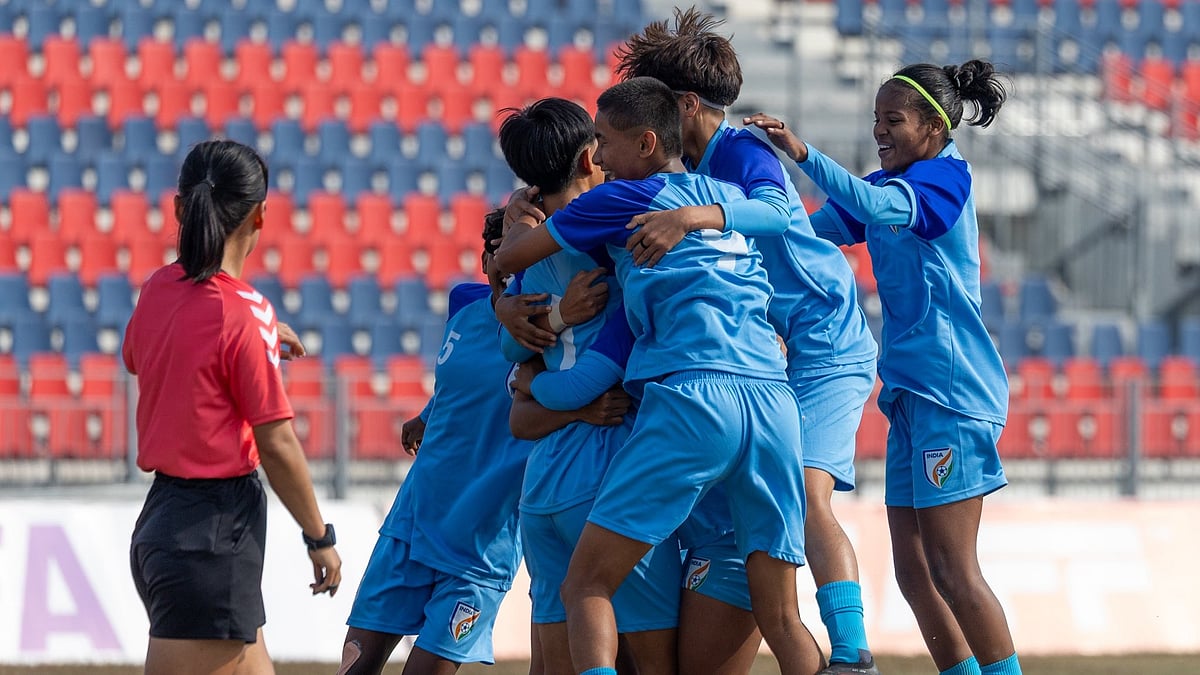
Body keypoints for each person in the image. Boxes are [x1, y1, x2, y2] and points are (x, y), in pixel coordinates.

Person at [495, 76, 826, 675]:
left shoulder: (618, 200)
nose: (598, 157)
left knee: (585, 586)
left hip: (695, 396)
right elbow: (781, 214)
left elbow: (508, 261)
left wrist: (516, 233)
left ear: (646, 143)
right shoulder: (724, 196)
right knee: (782, 616)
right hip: (774, 403)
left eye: (605, 142)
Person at [614, 9, 881, 674]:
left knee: (806, 491)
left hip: (829, 345)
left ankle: (851, 655)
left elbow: (778, 211)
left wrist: (693, 216)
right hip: (778, 354)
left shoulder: (739, 150)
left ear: (685, 105)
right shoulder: (694, 164)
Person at [746, 59, 1022, 675]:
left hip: (953, 393)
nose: (880, 131)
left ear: (934, 126)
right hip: (908, 396)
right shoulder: (889, 185)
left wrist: (800, 153)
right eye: (875, 119)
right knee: (915, 572)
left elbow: (869, 204)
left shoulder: (944, 180)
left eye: (892, 119)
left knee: (954, 569)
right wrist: (737, 224)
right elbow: (811, 235)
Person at [336, 209, 630, 675]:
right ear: (486, 260)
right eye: (500, 252)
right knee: (354, 666)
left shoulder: (559, 327)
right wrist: (428, 413)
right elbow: (462, 379)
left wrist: (581, 409)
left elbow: (553, 388)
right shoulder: (464, 305)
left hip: (483, 542)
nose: (511, 264)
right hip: (414, 519)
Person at [123, 139, 342, 675]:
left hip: (171, 523)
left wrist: (255, 342)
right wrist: (320, 537)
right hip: (210, 537)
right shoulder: (246, 314)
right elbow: (276, 442)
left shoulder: (156, 287)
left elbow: (141, 356)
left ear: (179, 209)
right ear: (261, 215)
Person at [496, 98, 683, 675]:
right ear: (586, 158)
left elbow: (511, 348)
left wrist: (527, 377)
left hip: (543, 485)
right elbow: (604, 366)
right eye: (598, 146)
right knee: (651, 663)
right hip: (607, 476)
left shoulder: (529, 251)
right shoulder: (613, 240)